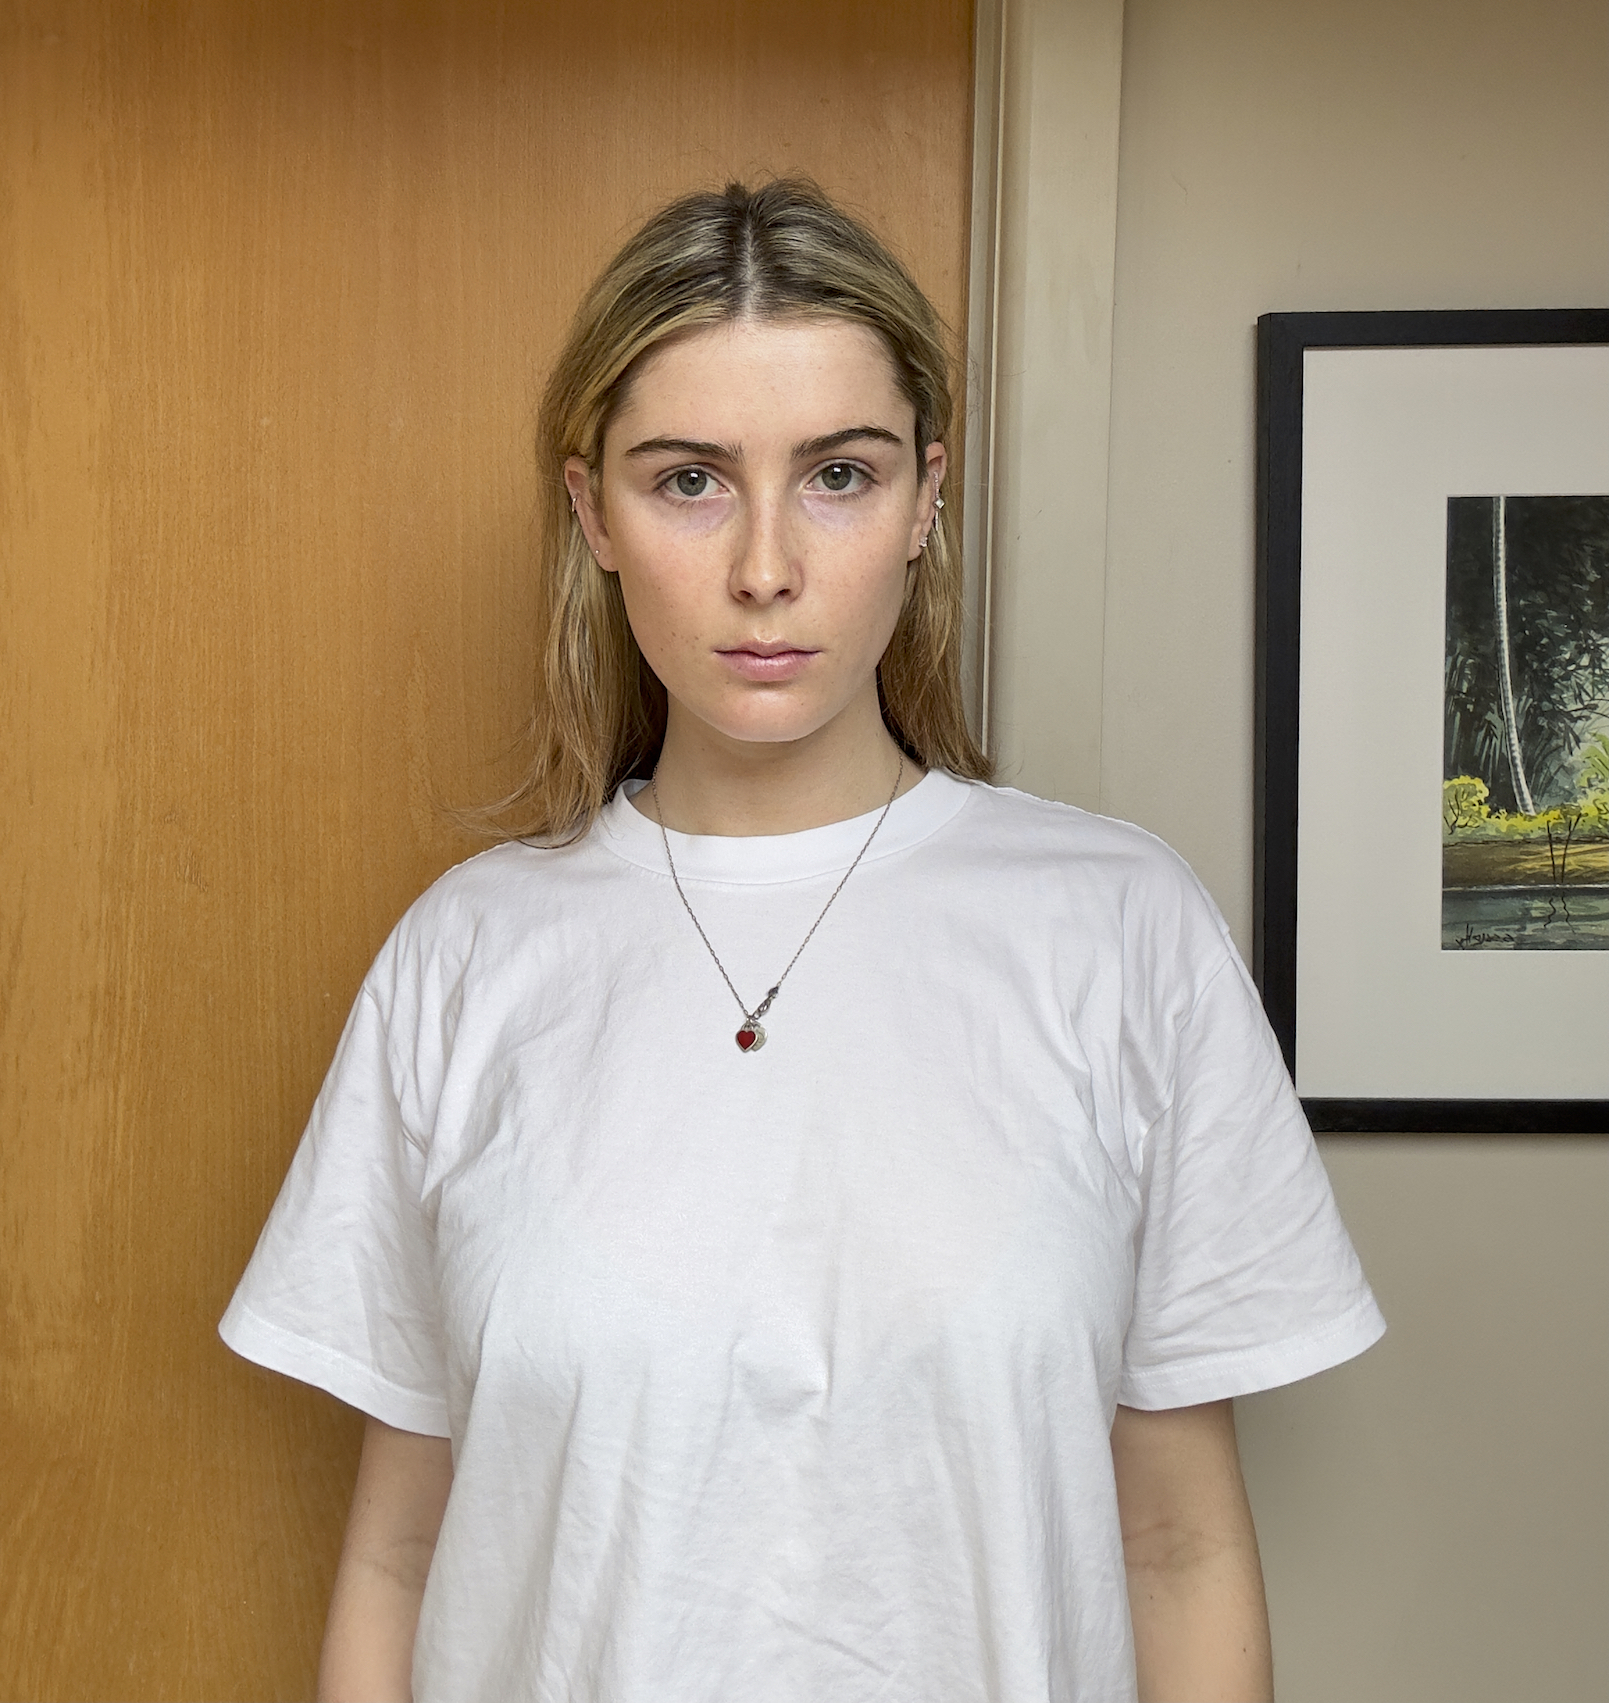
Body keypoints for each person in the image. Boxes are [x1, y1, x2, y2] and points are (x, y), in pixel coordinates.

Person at [221, 178, 1384, 1703]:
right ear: (593, 512)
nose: (764, 565)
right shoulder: (463, 962)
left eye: (837, 473)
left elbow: (1173, 1541)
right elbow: (404, 1548)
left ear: (925, 497)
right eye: (688, 480)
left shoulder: (1122, 931)